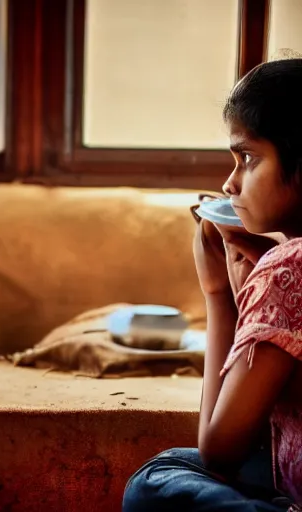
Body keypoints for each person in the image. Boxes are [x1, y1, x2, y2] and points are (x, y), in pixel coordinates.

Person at [122, 58, 302, 511]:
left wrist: (220, 295)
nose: (230, 183)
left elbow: (220, 451)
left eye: (248, 158)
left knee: (154, 481)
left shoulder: (287, 268)